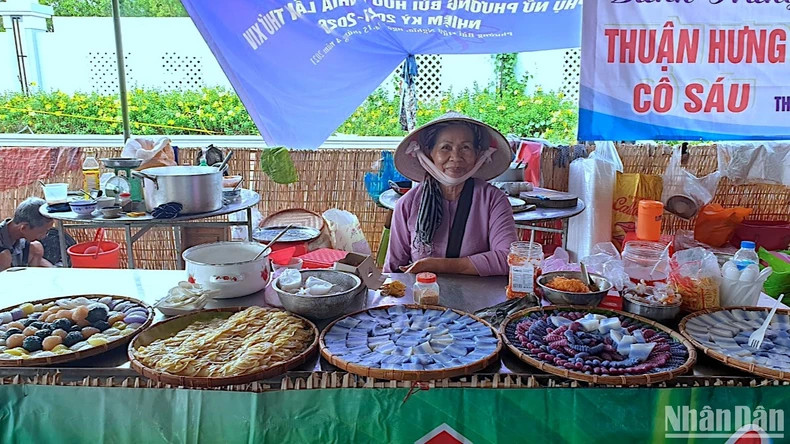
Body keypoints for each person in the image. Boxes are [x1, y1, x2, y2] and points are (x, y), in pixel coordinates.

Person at [384, 112, 517, 276]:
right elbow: (393, 271)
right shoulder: (408, 204)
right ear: (429, 153)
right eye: (445, 147)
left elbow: (509, 259)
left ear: (478, 154)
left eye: (465, 148)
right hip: (422, 297)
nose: (456, 157)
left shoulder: (493, 200)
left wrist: (438, 265)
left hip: (482, 299)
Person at [0, 197, 55, 271]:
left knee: (36, 248)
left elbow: (42, 263)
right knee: (4, 257)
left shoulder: (20, 237)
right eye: (42, 232)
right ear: (24, 228)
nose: (44, 236)